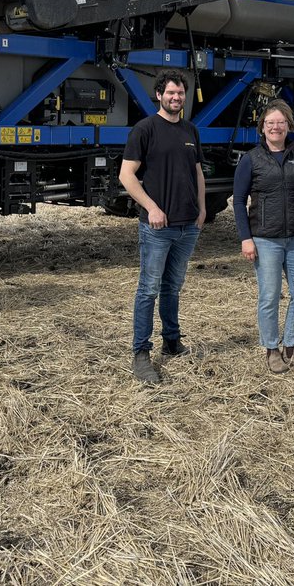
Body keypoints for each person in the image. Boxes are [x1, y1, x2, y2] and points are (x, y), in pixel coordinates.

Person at [119, 69, 206, 384]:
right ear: (159, 95)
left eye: (180, 93)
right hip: (157, 226)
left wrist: (203, 209)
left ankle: (172, 341)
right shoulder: (145, 129)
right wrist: (151, 207)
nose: (176, 97)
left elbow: (197, 172)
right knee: (148, 289)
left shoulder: (190, 130)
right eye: (170, 92)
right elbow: (126, 176)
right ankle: (141, 353)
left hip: (187, 226)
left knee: (173, 287)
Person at [233, 100, 294, 374]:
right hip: (265, 240)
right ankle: (271, 350)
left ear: (288, 126)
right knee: (269, 296)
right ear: (262, 128)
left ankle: (291, 348)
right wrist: (246, 238)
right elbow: (239, 201)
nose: (276, 127)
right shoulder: (251, 160)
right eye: (270, 123)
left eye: (280, 122)